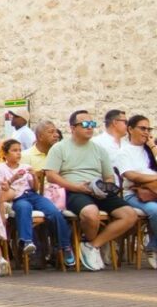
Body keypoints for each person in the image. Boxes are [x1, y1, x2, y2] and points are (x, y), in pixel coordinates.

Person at [44, 110, 136, 271]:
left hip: (97, 189)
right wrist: (76, 186)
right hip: (73, 190)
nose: (90, 127)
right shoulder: (59, 148)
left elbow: (109, 177)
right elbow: (51, 175)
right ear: (72, 128)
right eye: (85, 124)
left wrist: (103, 186)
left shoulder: (99, 150)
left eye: (92, 124)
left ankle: (92, 245)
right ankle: (92, 247)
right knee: (90, 213)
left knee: (130, 215)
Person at [0, 139, 74, 268]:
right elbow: (2, 189)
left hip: (32, 195)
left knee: (53, 211)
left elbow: (35, 188)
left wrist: (33, 176)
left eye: (19, 150)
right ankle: (27, 241)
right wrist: (14, 178)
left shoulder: (25, 166)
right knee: (24, 208)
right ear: (5, 154)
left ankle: (65, 246)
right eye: (14, 150)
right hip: (17, 196)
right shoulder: (0, 168)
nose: (18, 153)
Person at [113, 115, 157, 269]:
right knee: (155, 211)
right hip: (134, 193)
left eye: (149, 129)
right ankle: (153, 248)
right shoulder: (124, 152)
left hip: (154, 191)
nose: (146, 132)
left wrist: (152, 147)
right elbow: (131, 175)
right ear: (130, 129)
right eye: (142, 128)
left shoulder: (151, 149)